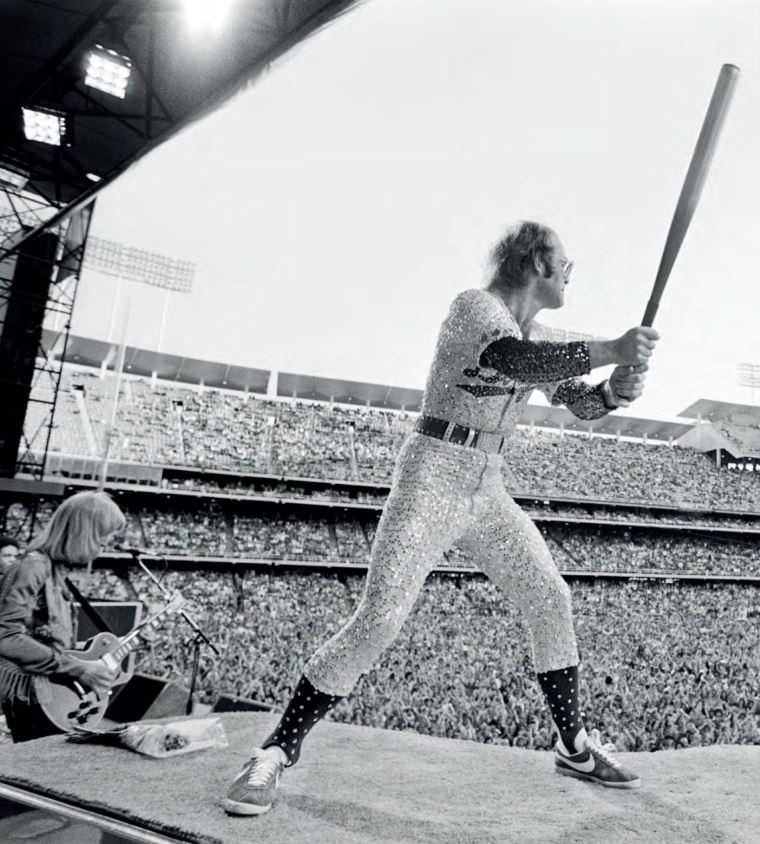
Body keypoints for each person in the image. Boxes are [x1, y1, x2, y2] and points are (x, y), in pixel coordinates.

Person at [223, 221, 658, 815]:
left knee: (551, 598)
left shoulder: (542, 333)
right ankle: (274, 750)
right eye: (566, 261)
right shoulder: (474, 307)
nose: (571, 272)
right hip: (433, 472)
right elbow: (513, 360)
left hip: (488, 482)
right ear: (536, 262)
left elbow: (581, 404)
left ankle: (573, 746)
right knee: (379, 619)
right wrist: (611, 349)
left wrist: (615, 392)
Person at [0, 491, 125, 742]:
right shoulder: (33, 567)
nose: (103, 548)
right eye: (101, 540)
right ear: (83, 534)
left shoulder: (57, 572)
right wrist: (81, 669)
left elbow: (47, 639)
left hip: (44, 692)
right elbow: (6, 636)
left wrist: (89, 657)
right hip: (28, 694)